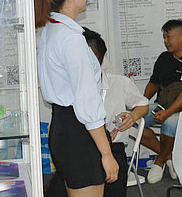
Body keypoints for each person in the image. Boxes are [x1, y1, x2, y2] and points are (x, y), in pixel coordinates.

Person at [36, 0, 118, 197]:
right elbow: (87, 103)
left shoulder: (52, 30)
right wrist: (106, 153)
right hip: (79, 134)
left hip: (62, 128)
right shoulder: (70, 39)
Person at [47, 28, 149, 197]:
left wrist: (133, 116)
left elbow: (143, 104)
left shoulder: (119, 83)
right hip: (80, 149)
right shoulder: (68, 89)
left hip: (113, 150)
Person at [140, 19, 182, 184]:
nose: (166, 41)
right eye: (164, 37)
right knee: (134, 122)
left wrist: (168, 113)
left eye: (169, 37)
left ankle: (159, 161)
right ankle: (168, 156)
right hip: (162, 105)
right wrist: (141, 105)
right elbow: (153, 84)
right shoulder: (164, 58)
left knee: (170, 123)